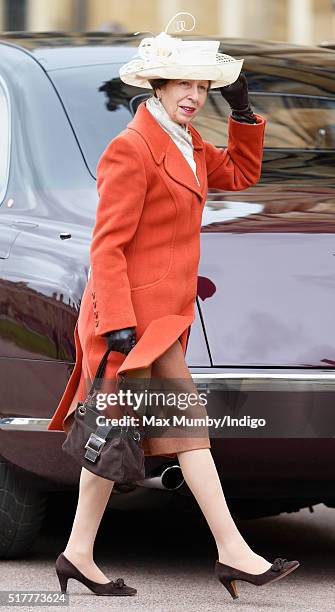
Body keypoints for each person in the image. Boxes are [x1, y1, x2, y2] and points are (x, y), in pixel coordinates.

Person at [49, 21, 299, 600]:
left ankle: (77, 554)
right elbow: (106, 245)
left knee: (113, 432)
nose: (192, 95)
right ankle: (234, 552)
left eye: (202, 87)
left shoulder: (188, 144)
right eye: (181, 84)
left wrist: (242, 111)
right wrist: (115, 323)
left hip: (162, 320)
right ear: (157, 87)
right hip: (133, 325)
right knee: (186, 433)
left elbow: (241, 173)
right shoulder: (131, 148)